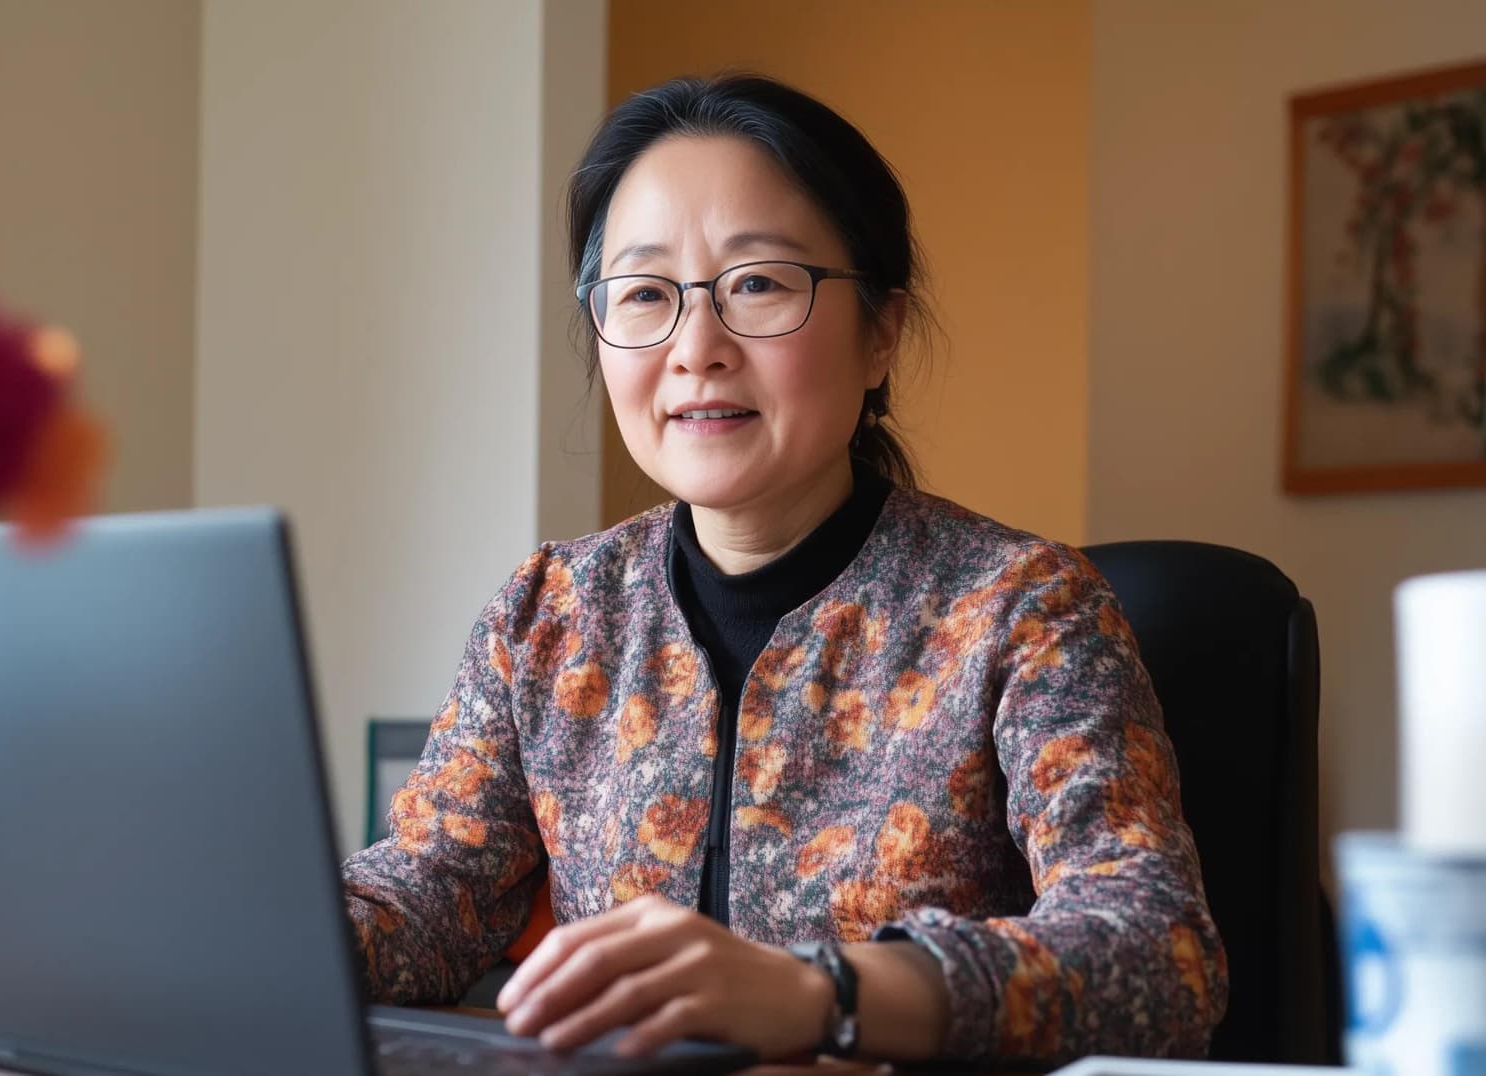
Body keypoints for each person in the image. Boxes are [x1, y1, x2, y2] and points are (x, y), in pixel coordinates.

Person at [341, 73, 1226, 1067]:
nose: (696, 347)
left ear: (881, 330)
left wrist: (822, 993)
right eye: (643, 293)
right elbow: (421, 897)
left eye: (757, 283)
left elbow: (1158, 956)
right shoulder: (551, 614)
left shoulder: (1019, 609)